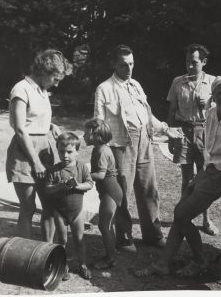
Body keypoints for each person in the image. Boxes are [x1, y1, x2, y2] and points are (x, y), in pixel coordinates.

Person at [136, 76, 221, 277]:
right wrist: (201, 176)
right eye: (219, 92)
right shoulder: (212, 113)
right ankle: (163, 263)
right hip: (212, 169)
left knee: (181, 214)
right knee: (181, 210)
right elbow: (211, 150)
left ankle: (199, 260)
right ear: (213, 95)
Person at [93, 44, 181, 252]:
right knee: (122, 190)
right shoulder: (104, 88)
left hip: (144, 139)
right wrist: (101, 148)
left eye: (131, 63)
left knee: (149, 188)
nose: (129, 68)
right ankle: (124, 237)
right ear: (114, 64)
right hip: (122, 143)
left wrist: (165, 130)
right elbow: (98, 121)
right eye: (124, 65)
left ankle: (153, 234)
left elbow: (148, 116)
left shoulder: (136, 85)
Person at [5, 49, 72, 240]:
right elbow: (20, 128)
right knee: (28, 207)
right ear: (44, 71)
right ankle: (24, 255)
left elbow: (32, 118)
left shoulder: (42, 90)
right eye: (56, 79)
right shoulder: (21, 89)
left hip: (44, 148)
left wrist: (50, 125)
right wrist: (35, 161)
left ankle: (46, 251)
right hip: (25, 152)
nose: (56, 84)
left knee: (49, 204)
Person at [166, 43, 218, 236]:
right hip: (183, 132)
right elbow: (171, 111)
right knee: (186, 178)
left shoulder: (214, 83)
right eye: (187, 62)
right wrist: (171, 135)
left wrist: (209, 105)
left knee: (204, 179)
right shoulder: (177, 82)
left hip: (204, 132)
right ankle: (182, 217)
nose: (189, 66)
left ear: (204, 62)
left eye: (194, 62)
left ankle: (206, 220)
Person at [44, 132, 94, 280]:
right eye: (61, 151)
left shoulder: (81, 167)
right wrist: (58, 186)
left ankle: (83, 264)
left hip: (77, 211)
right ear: (57, 150)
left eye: (69, 152)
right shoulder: (54, 169)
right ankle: (63, 265)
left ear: (77, 152)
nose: (65, 156)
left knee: (79, 239)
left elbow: (90, 184)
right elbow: (47, 189)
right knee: (62, 240)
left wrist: (77, 186)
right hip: (59, 212)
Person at [83, 118, 123, 269]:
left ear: (96, 135)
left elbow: (100, 175)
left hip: (110, 191)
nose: (84, 136)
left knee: (104, 225)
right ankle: (111, 252)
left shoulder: (101, 151)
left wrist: (82, 174)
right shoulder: (99, 149)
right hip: (109, 190)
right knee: (108, 224)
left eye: (86, 134)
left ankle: (110, 259)